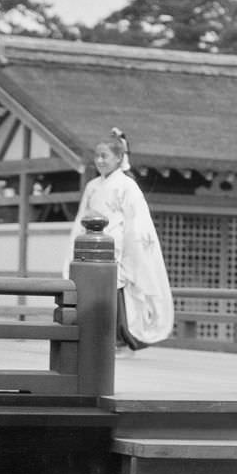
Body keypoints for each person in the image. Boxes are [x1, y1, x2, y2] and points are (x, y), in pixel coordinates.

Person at [66, 128, 174, 353]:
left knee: (118, 296)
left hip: (119, 248)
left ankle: (119, 340)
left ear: (118, 158)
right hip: (92, 246)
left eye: (105, 156)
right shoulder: (92, 186)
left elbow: (137, 222)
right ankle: (94, 340)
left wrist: (131, 250)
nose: (100, 160)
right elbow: (81, 219)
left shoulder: (127, 186)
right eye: (97, 156)